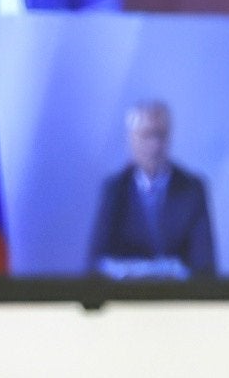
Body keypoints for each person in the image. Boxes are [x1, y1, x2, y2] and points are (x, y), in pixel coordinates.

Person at [84, 102, 216, 279]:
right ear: (131, 140)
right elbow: (96, 262)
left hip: (178, 301)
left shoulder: (192, 188)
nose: (155, 145)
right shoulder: (115, 188)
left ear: (169, 138)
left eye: (160, 135)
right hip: (125, 300)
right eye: (146, 135)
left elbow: (205, 265)